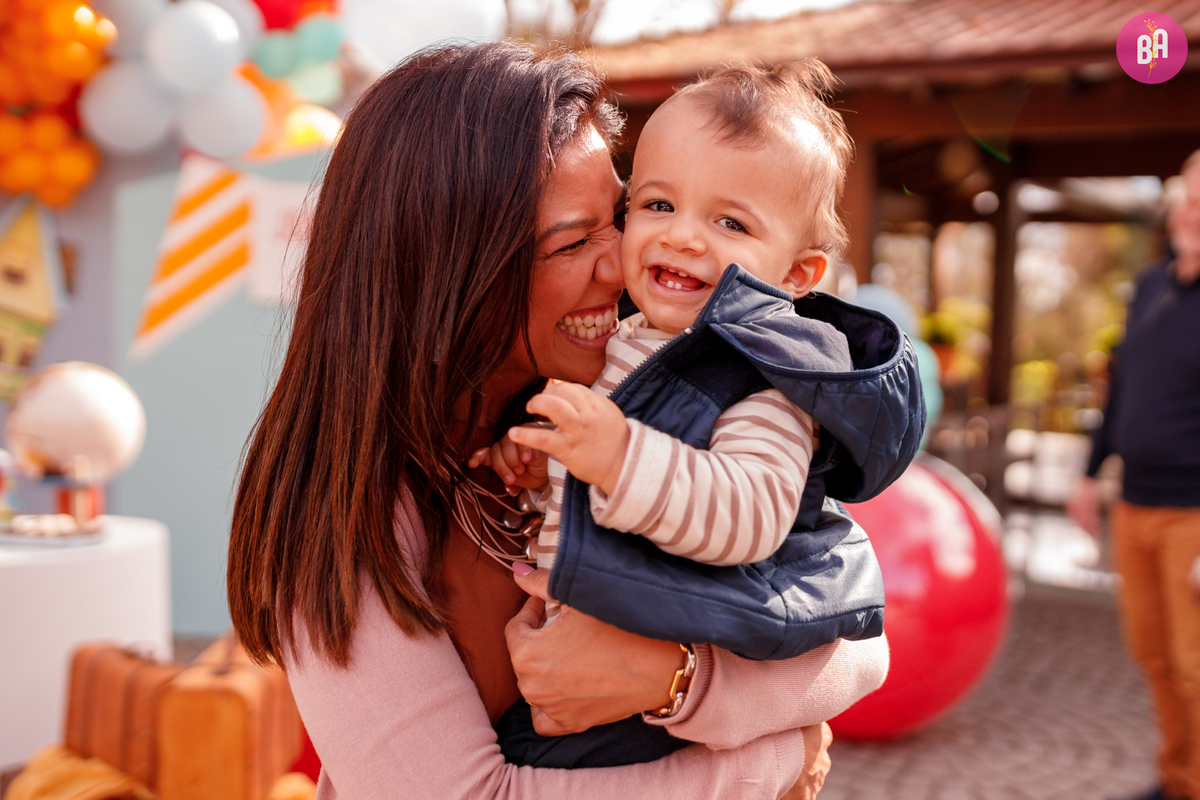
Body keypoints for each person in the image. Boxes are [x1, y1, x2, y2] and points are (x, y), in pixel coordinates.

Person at [227, 42, 888, 800]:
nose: (625, 260)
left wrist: (675, 679)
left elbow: (854, 636)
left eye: (621, 215)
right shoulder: (348, 512)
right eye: (575, 241)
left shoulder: (634, 390)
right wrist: (770, 760)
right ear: (448, 273)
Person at [471, 62, 923, 768]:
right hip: (585, 671)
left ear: (795, 276)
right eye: (657, 205)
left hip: (649, 708)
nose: (682, 237)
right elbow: (611, 497)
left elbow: (750, 513)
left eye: (730, 222)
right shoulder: (626, 342)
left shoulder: (760, 381)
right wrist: (543, 470)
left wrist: (616, 456)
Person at [1069, 149, 1200, 800]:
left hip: (1193, 514)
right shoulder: (1151, 285)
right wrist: (1091, 472)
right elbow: (1121, 386)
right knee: (1154, 655)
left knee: (1195, 664)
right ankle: (1180, 780)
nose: (1191, 213)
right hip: (1136, 504)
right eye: (1188, 198)